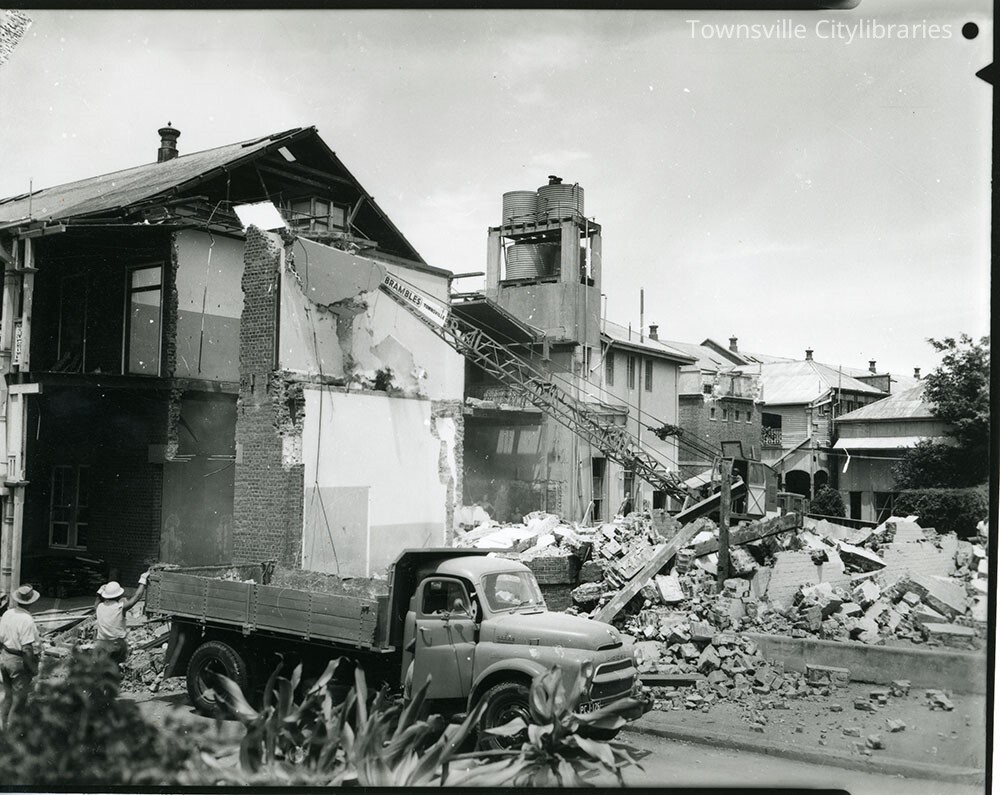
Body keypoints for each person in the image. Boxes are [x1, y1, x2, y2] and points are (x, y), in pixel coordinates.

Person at [0, 584, 42, 731]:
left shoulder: (7, 614)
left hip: (6, 656)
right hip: (18, 660)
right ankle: (13, 735)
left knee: (8, 696)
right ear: (31, 602)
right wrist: (32, 668)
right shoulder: (26, 619)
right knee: (19, 701)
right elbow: (27, 649)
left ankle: (4, 727)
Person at [94, 572, 148, 669]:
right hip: (117, 645)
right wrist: (143, 580)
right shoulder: (120, 607)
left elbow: (97, 599)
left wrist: (100, 591)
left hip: (101, 645)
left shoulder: (99, 607)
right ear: (119, 595)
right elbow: (137, 596)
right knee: (115, 663)